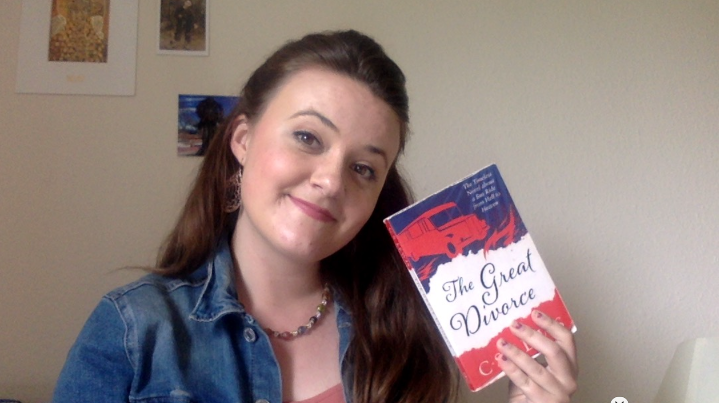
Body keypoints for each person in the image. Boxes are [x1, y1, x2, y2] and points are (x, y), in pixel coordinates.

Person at [51, 30, 578, 403]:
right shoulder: (133, 329)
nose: (331, 180)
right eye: (307, 137)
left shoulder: (403, 343)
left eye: (363, 168)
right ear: (242, 139)